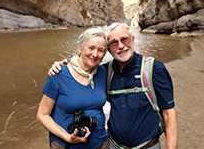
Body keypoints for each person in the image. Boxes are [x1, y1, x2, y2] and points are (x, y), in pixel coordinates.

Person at [48, 23, 178, 149]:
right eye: (114, 43)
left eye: (124, 40)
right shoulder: (104, 72)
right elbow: (84, 68)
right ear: (109, 50)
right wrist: (63, 66)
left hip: (147, 146)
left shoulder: (154, 69)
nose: (121, 46)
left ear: (132, 39)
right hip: (113, 145)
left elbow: (168, 114)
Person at [37, 27, 109, 149]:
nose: (95, 54)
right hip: (65, 144)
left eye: (101, 50)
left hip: (100, 143)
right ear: (79, 47)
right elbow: (42, 115)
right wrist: (67, 137)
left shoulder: (103, 73)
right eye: (91, 48)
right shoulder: (58, 74)